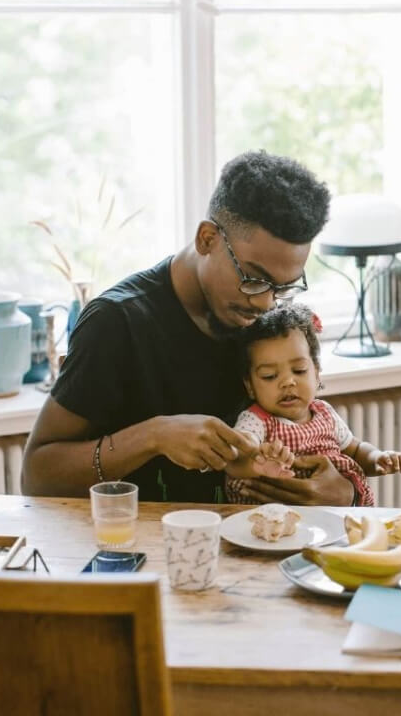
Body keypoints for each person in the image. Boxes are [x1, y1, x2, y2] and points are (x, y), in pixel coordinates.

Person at [22, 151, 357, 507]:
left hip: (264, 549)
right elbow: (37, 476)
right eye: (253, 279)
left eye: (283, 287)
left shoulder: (265, 319)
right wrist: (155, 436)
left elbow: (318, 441)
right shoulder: (118, 323)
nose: (265, 304)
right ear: (207, 238)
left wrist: (345, 491)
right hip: (150, 552)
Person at [223, 303, 401, 506]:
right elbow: (236, 459)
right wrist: (259, 461)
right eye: (269, 376)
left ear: (316, 372)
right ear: (250, 386)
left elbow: (356, 450)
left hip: (333, 517)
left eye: (299, 370)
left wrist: (377, 458)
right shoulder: (255, 420)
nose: (288, 382)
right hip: (274, 521)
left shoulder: (325, 412)